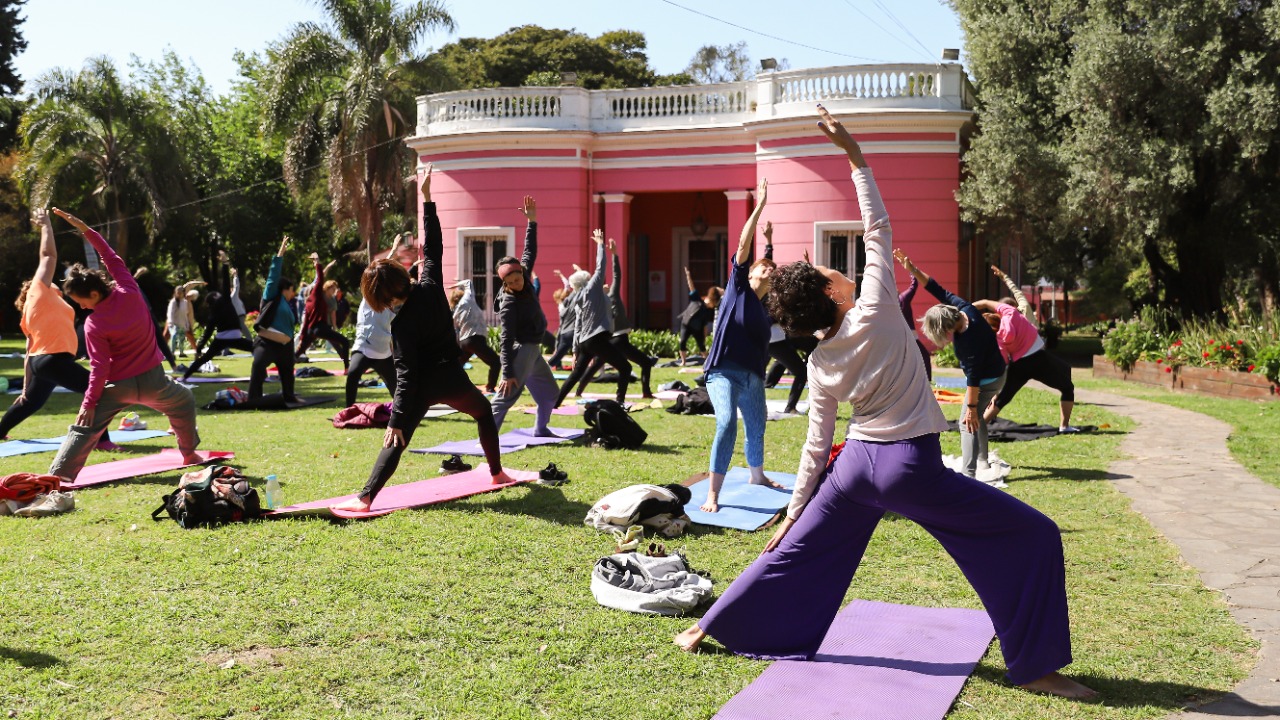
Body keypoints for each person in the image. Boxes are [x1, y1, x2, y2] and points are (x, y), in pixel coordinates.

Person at [674, 106, 1095, 701]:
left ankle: (709, 625)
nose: (838, 268)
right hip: (905, 466)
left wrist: (794, 513)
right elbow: (877, 228)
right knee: (1034, 536)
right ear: (831, 291)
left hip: (852, 471)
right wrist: (853, 155)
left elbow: (817, 446)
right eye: (828, 268)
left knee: (797, 549)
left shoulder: (820, 361)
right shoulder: (872, 309)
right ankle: (1040, 668)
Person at [331, 164, 512, 514]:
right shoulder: (430, 285)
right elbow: (435, 245)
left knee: (396, 439)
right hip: (453, 377)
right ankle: (497, 473)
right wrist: (427, 197)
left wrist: (397, 420)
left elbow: (407, 377)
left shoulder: (401, 327)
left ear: (381, 298)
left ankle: (365, 497)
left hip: (424, 385)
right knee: (484, 412)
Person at [46, 208, 200, 481]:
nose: (81, 306)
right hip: (155, 383)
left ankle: (58, 476)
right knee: (184, 400)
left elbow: (99, 367)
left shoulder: (94, 324)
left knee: (85, 426)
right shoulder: (130, 291)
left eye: (81, 301)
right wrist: (84, 228)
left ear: (94, 293)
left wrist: (88, 403)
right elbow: (110, 256)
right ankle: (189, 453)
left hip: (118, 388)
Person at [699, 178, 783, 513]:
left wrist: (771, 247)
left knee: (757, 425)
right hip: (722, 373)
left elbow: (768, 266)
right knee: (726, 423)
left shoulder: (766, 310)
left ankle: (757, 476)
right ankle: (713, 494)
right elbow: (743, 245)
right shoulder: (738, 288)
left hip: (752, 377)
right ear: (750, 274)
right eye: (763, 267)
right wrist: (759, 207)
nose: (767, 269)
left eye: (771, 269)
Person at [0, 209, 115, 449]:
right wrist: (45, 225)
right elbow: (48, 255)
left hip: (42, 362)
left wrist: (25, 385)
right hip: (52, 360)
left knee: (30, 402)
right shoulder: (39, 292)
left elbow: (30, 348)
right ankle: (101, 441)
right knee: (98, 392)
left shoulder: (40, 308)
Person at [896, 250, 1007, 480]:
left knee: (966, 422)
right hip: (997, 372)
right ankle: (982, 460)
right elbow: (937, 288)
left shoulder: (968, 342)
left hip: (988, 380)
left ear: (947, 327)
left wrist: (972, 408)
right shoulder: (963, 309)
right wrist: (913, 269)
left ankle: (968, 475)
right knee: (974, 420)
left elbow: (973, 379)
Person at [487, 196, 560, 435]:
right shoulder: (508, 302)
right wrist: (507, 373)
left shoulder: (525, 277)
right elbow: (505, 339)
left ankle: (541, 429)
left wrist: (532, 222)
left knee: (550, 393)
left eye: (517, 279)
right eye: (509, 282)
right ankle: (487, 438)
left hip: (534, 350)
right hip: (522, 350)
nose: (515, 284)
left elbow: (529, 250)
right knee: (505, 397)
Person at [971, 297, 1079, 433]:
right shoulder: (1010, 313)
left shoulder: (997, 340)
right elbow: (985, 302)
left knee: (1002, 399)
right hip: (1039, 359)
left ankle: (978, 427)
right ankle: (1064, 426)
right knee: (1068, 388)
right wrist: (966, 309)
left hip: (1019, 365)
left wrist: (996, 391)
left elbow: (1002, 365)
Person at [552, 231, 634, 408]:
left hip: (585, 342)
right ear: (589, 281)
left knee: (575, 375)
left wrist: (575, 352)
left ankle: (554, 403)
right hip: (596, 340)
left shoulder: (580, 297)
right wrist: (600, 244)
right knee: (626, 368)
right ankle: (620, 401)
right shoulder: (592, 288)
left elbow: (578, 325)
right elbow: (600, 266)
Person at [575, 239, 656, 398]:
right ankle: (645, 392)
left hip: (608, 339)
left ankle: (578, 391)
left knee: (596, 364)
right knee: (645, 362)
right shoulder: (610, 296)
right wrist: (614, 255)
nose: (606, 286)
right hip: (619, 339)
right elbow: (617, 275)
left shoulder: (595, 301)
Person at [184, 251, 255, 382]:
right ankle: (267, 370)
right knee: (257, 348)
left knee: (204, 359)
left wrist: (199, 348)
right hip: (235, 337)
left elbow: (208, 332)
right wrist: (225, 263)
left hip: (221, 339)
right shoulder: (226, 300)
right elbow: (226, 282)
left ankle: (185, 376)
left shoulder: (213, 314)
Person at [759, 223, 808, 415]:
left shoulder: (777, 291)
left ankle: (787, 405)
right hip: (772, 340)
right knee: (801, 372)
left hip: (777, 337)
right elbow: (767, 263)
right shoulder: (762, 291)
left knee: (757, 375)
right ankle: (790, 407)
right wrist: (769, 242)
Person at [248, 237, 300, 402]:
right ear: (285, 289)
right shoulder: (272, 295)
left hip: (285, 345)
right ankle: (254, 398)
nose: (293, 294)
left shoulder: (286, 303)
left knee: (287, 373)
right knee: (258, 366)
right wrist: (280, 253)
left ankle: (289, 396)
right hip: (267, 343)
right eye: (292, 290)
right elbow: (273, 275)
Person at [294, 254, 350, 370]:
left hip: (311, 330)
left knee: (298, 352)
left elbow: (305, 324)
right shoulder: (317, 295)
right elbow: (320, 278)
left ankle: (284, 368)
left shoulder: (308, 303)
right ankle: (347, 369)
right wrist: (318, 263)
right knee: (345, 342)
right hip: (320, 327)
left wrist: (303, 338)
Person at [449, 279, 499, 393]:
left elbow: (455, 330)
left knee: (457, 366)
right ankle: (490, 387)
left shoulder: (455, 311)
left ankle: (451, 386)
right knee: (496, 362)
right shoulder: (468, 300)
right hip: (475, 339)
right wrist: (456, 284)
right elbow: (468, 283)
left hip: (464, 341)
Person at [677, 268, 720, 366]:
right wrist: (688, 276)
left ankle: (710, 362)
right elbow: (691, 287)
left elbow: (704, 326)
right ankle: (683, 362)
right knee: (682, 342)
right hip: (686, 324)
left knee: (702, 346)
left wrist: (704, 337)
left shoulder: (708, 312)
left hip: (697, 329)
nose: (711, 305)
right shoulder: (697, 299)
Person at [898, 272, 933, 381]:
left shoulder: (891, 303)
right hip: (909, 337)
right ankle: (926, 380)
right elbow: (914, 286)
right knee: (924, 357)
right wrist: (912, 273)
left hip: (898, 338)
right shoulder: (902, 298)